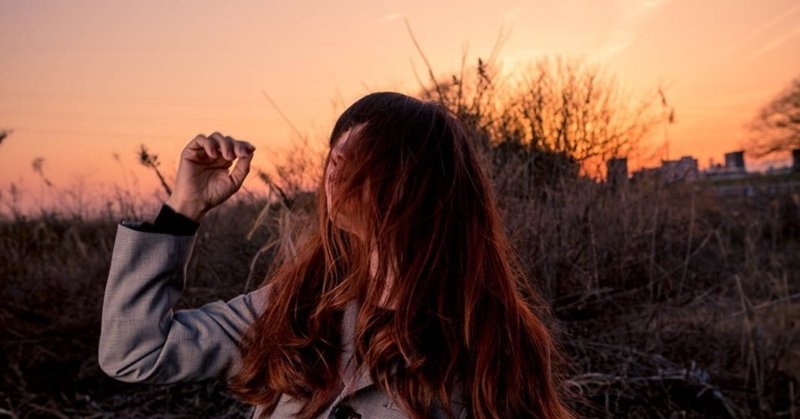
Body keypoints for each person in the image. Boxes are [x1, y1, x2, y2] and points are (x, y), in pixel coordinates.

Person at [99, 92, 574, 419]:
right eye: (335, 153)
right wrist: (183, 209)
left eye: (360, 158)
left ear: (417, 184)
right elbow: (135, 351)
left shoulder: (488, 339)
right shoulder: (293, 308)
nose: (335, 170)